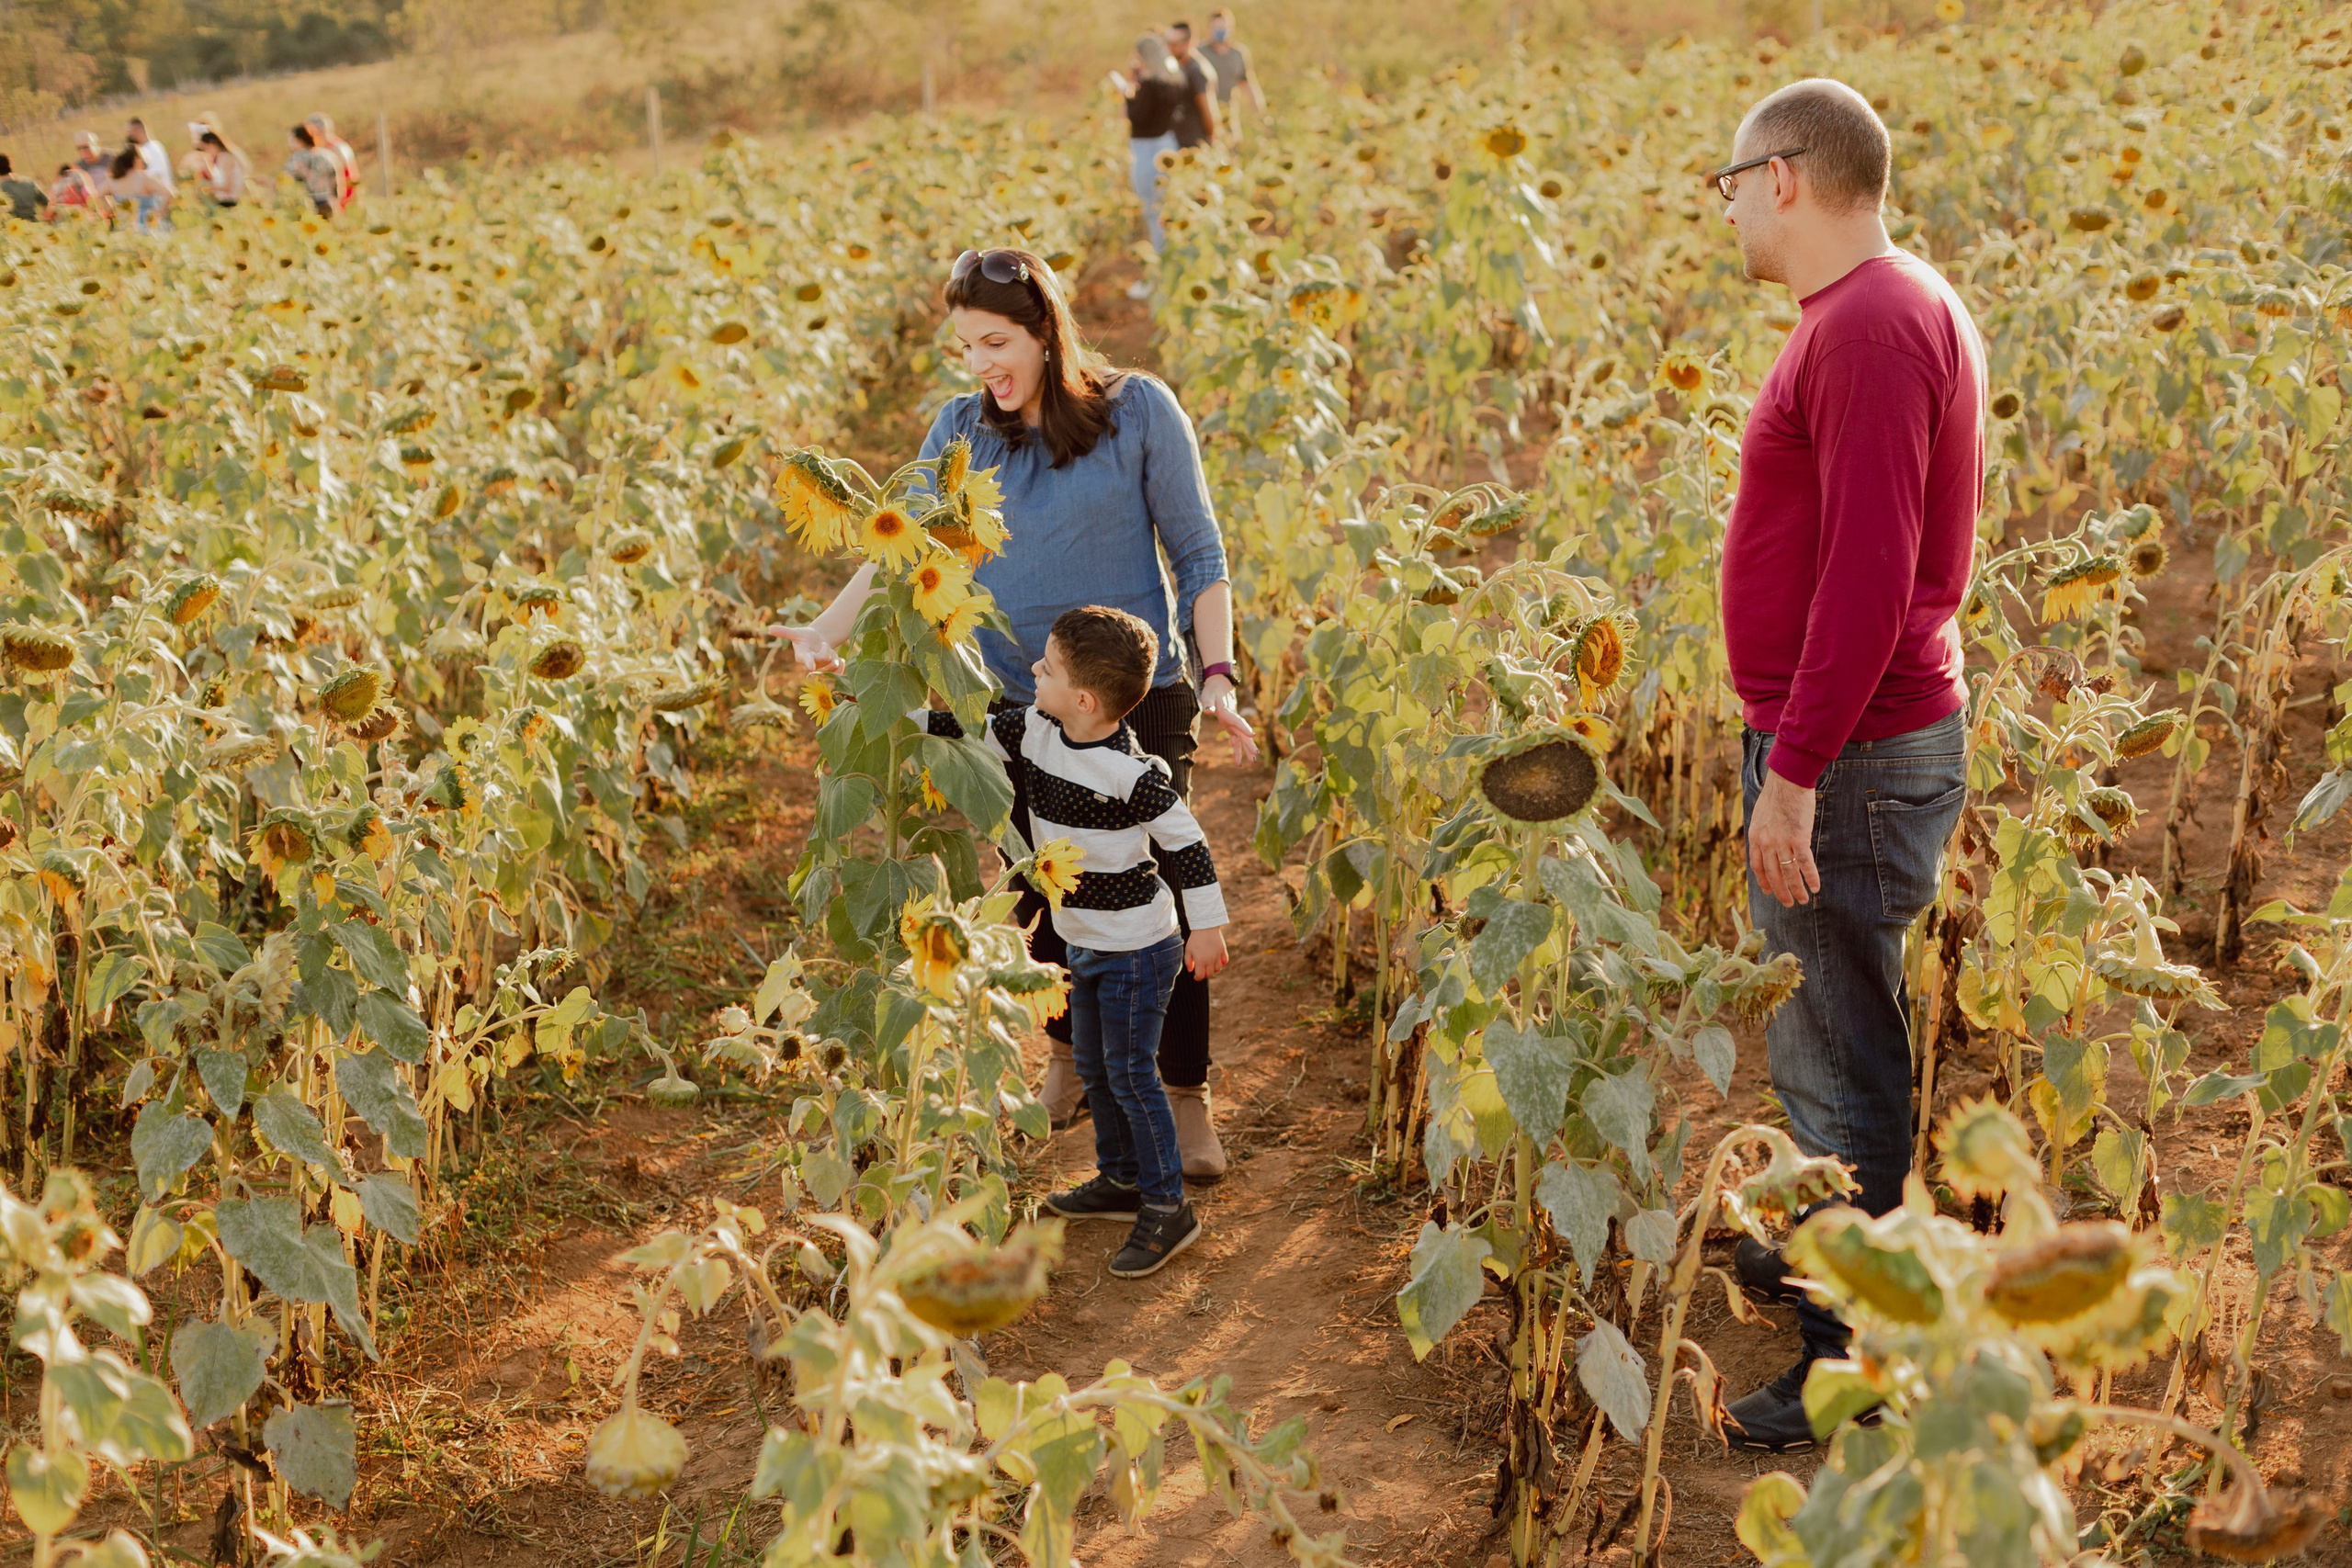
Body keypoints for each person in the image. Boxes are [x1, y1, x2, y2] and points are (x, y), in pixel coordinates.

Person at [773, 247, 1258, 1181]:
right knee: (1040, 881)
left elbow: (1199, 552)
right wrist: (826, 630)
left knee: (1152, 889)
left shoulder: (1137, 411)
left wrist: (1218, 675)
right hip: (1015, 697)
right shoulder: (963, 429)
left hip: (1138, 697)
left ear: (1045, 331)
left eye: (995, 342)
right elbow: (904, 544)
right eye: (965, 346)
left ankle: (1185, 1095)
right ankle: (1067, 1056)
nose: (980, 364)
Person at [1710, 78, 1984, 1450]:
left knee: (1840, 1054)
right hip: (1851, 737)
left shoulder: (1870, 325)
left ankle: (1852, 1355)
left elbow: (1876, 575)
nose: (1728, 211)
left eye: (1730, 185)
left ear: (1786, 177)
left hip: (1854, 751)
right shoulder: (1877, 307)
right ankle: (1827, 1256)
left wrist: (1795, 767)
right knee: (1824, 1022)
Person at [920, 606, 1230, 1278]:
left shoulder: (1133, 775)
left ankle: (1167, 1205)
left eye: (1048, 667)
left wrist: (1206, 926)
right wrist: (898, 720)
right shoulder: (1034, 727)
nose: (1033, 670)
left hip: (1139, 947)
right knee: (1092, 1063)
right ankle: (1121, 1179)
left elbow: (1189, 845)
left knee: (1131, 1073)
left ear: (1084, 700)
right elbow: (966, 728)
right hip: (1083, 938)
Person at [1107, 35, 1187, 256]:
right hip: (1168, 144)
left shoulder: (1150, 86)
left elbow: (1136, 117)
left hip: (1147, 151)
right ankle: (1173, 255)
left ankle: (1161, 259)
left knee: (1152, 209)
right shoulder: (1173, 81)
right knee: (1168, 206)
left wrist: (1127, 94)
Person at [1199, 10, 1267, 141]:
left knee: (1233, 148)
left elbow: (1247, 83)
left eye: (1223, 27)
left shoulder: (1238, 54)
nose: (1220, 31)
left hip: (1228, 116)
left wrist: (1260, 113)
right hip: (1204, 117)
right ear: (1209, 28)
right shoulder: (1199, 52)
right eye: (1216, 27)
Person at [1163, 20, 1218, 151]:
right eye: (1168, 43)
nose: (1170, 48)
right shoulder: (1176, 66)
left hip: (1193, 143)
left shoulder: (1196, 71)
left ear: (1188, 43)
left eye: (1174, 44)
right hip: (1176, 141)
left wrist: (1211, 137)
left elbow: (1207, 109)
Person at [106, 149, 172, 231]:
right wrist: (160, 211)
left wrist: (110, 210)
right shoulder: (142, 178)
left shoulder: (114, 180)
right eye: (143, 161)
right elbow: (167, 193)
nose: (144, 164)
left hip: (123, 227)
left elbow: (98, 194)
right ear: (136, 160)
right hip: (147, 226)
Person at [125, 119, 174, 231]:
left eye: (130, 132)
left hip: (159, 201)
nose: (128, 136)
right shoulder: (152, 147)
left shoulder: (151, 149)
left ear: (138, 131)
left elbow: (154, 176)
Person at [306, 114, 359, 211]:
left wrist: (345, 201)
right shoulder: (314, 148)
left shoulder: (339, 148)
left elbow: (350, 176)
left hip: (341, 198)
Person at [285, 126, 340, 218]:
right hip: (328, 201)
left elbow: (287, 183)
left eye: (291, 139)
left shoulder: (295, 159)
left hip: (306, 204)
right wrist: (336, 200)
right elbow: (336, 180)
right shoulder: (328, 155)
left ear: (299, 140)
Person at [199, 132, 244, 209]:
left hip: (228, 202)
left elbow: (228, 187)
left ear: (212, 143)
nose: (206, 152)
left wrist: (209, 188)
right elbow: (217, 180)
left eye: (206, 149)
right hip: (222, 201)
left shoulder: (226, 158)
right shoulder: (220, 159)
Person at [0, 157, 49, 221]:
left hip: (10, 226)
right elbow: (47, 203)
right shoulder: (29, 182)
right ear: (10, 166)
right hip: (33, 225)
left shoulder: (1, 188)